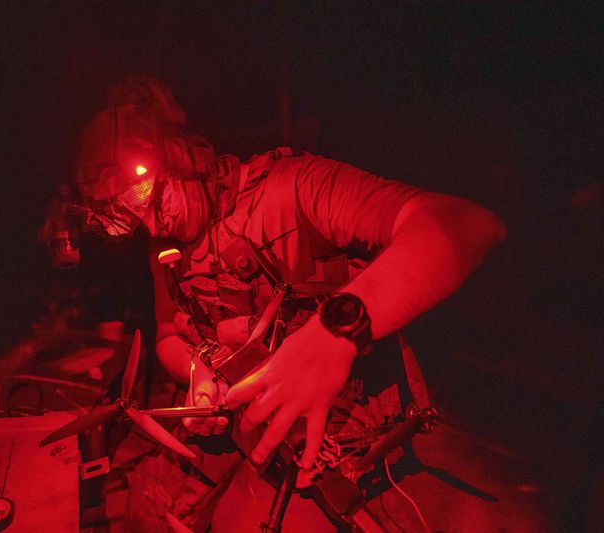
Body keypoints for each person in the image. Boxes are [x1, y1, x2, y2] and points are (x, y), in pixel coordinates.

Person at [69, 76, 544, 532]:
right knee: (147, 508)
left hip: (343, 418)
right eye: (133, 219)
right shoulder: (166, 249)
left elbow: (467, 224)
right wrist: (198, 372)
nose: (154, 227)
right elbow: (169, 333)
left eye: (148, 195)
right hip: (245, 415)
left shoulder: (293, 188)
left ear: (182, 154)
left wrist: (336, 332)